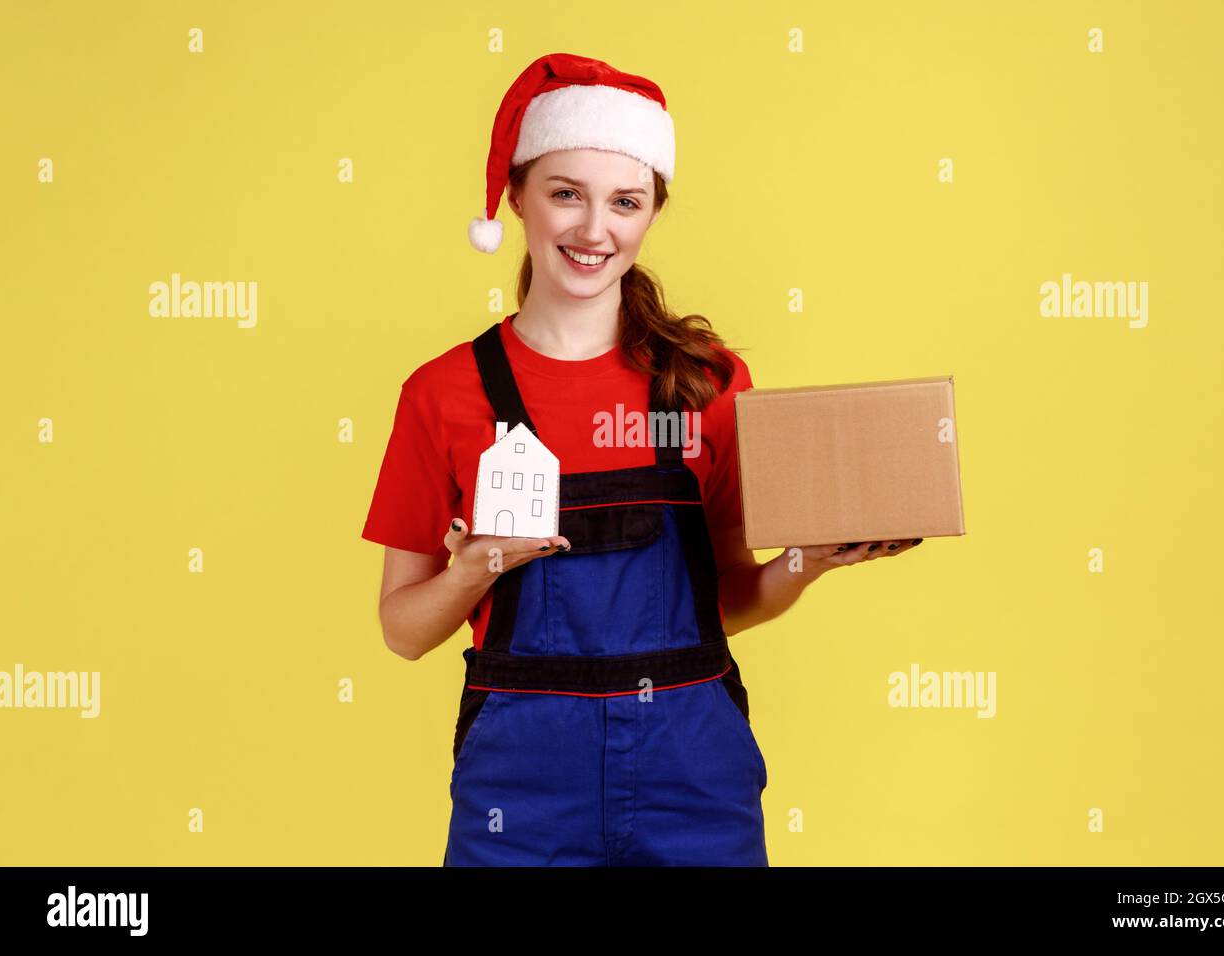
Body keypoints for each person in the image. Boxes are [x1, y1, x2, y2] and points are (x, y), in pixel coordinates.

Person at [361, 52, 921, 866]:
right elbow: (402, 632)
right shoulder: (443, 393)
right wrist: (475, 567)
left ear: (652, 210)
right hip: (521, 791)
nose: (595, 231)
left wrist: (808, 562)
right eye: (565, 194)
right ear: (516, 197)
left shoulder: (706, 383)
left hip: (693, 773)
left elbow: (723, 599)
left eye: (624, 202)